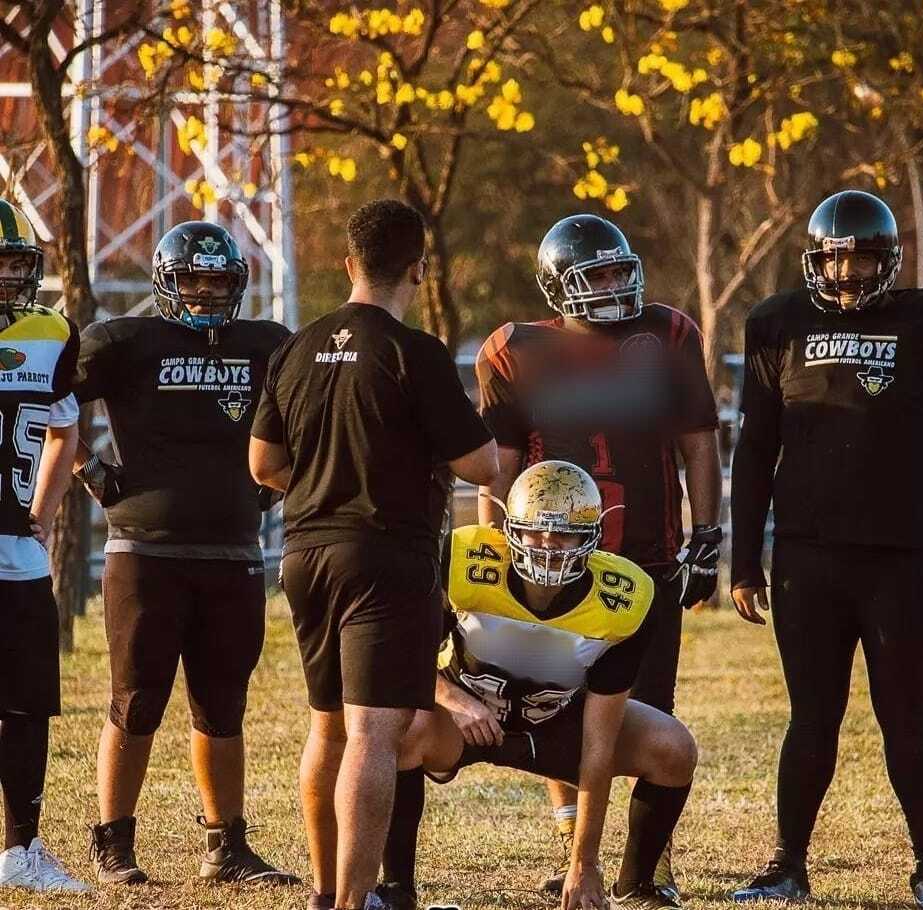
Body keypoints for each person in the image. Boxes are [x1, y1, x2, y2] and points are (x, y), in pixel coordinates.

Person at [729, 189, 923, 907]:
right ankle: (787, 864)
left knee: (906, 710)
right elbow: (755, 451)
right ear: (816, 260)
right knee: (811, 715)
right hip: (807, 558)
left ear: (890, 259)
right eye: (837, 260)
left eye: (863, 259)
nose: (849, 274)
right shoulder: (776, 323)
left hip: (902, 557)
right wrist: (745, 559)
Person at [249, 198, 498, 910]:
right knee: (374, 734)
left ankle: (326, 893)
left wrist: (327, 483)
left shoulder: (295, 348)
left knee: (327, 724)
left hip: (304, 556)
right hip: (384, 558)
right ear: (418, 268)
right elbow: (480, 465)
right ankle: (356, 902)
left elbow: (263, 463)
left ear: (350, 264)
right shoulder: (411, 352)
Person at [474, 214, 721, 901]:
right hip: (554, 562)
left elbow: (699, 441)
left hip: (647, 559)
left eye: (620, 271)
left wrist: (708, 535)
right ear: (559, 285)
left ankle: (651, 861)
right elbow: (497, 468)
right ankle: (569, 841)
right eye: (598, 275)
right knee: (552, 704)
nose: (615, 284)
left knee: (653, 712)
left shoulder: (668, 333)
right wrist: (494, 548)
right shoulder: (512, 347)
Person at [72, 220, 297, 886]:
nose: (204, 292)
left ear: (238, 285)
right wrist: (90, 470)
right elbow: (45, 396)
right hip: (146, 551)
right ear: (166, 282)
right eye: (193, 279)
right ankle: (114, 843)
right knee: (136, 700)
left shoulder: (268, 345)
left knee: (223, 704)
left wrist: (277, 482)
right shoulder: (125, 340)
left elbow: (312, 416)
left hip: (232, 551)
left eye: (218, 280)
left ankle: (225, 846)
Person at [380, 460, 697, 910]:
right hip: (464, 719)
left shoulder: (622, 599)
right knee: (399, 727)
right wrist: (456, 701)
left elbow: (600, 740)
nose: (548, 547)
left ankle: (637, 884)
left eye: (565, 533)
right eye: (535, 532)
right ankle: (397, 889)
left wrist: (584, 863)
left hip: (557, 723)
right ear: (512, 529)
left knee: (672, 747)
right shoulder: (464, 560)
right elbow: (401, 658)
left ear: (592, 536)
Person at [0, 201, 89, 893]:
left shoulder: (53, 332)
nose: (7, 278)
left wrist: (45, 510)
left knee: (28, 706)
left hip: (18, 553)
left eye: (15, 264)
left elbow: (65, 432)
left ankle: (20, 850)